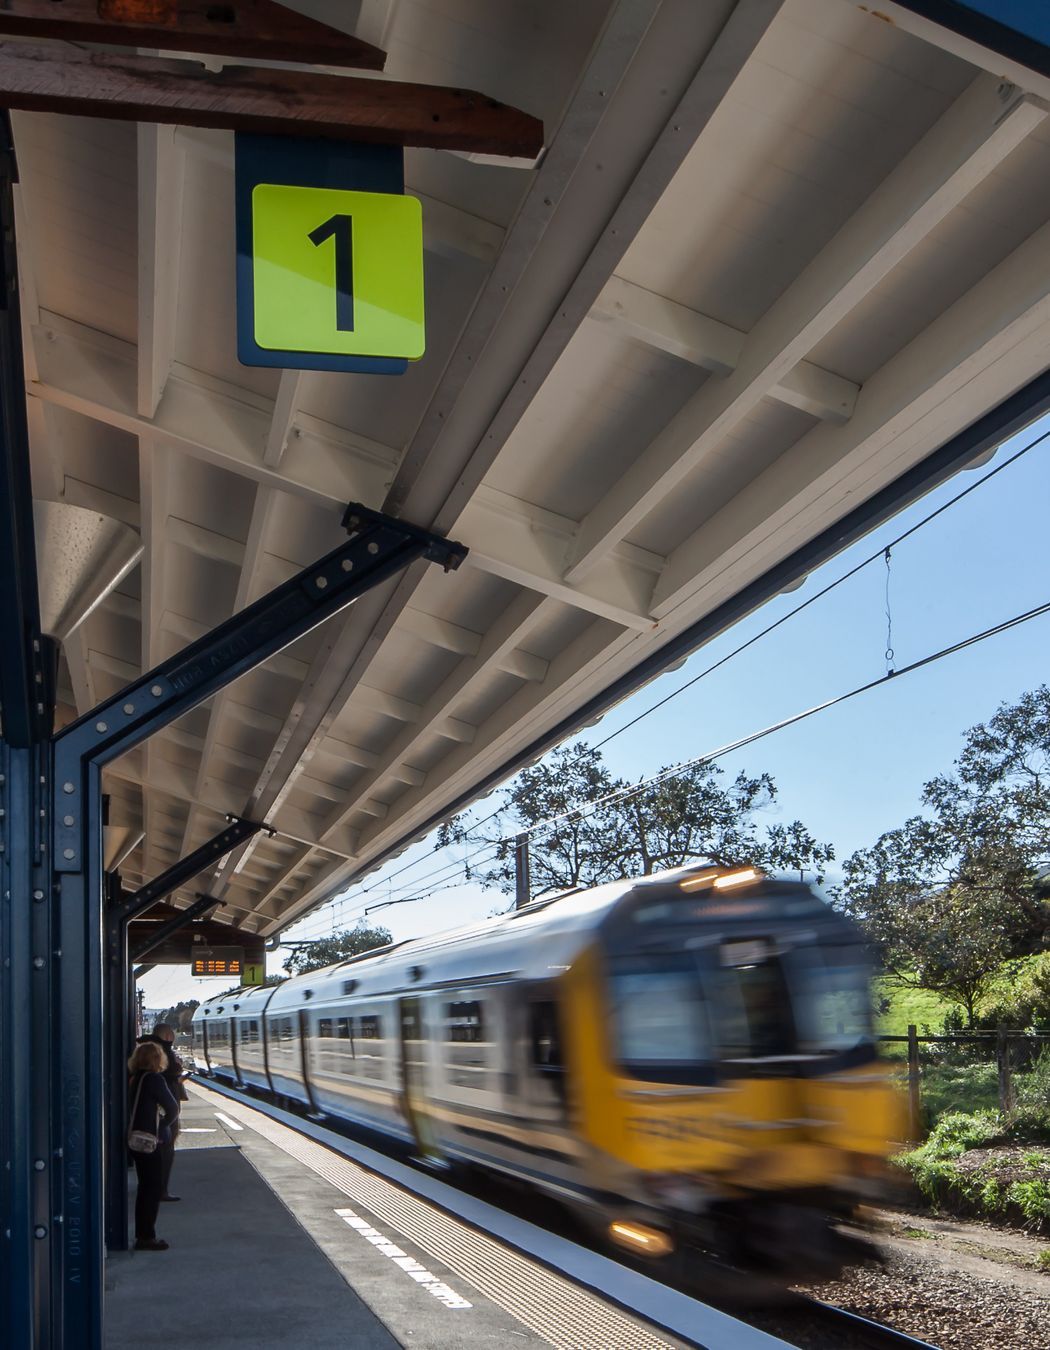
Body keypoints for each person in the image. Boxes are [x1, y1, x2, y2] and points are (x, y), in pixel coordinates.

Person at [127, 1041, 179, 1251]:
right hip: (149, 1141)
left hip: (135, 1139)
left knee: (144, 1187)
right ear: (158, 1059)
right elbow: (173, 1108)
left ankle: (144, 1234)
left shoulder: (135, 1078)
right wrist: (162, 1127)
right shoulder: (155, 1079)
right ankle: (146, 1237)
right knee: (152, 1188)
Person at [138, 1021, 187, 1201]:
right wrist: (166, 1124)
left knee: (148, 1160)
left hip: (145, 1118)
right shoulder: (162, 1050)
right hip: (160, 1117)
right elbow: (171, 1106)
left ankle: (152, 1189)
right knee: (164, 1153)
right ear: (167, 1036)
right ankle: (160, 1191)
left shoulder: (142, 1049)